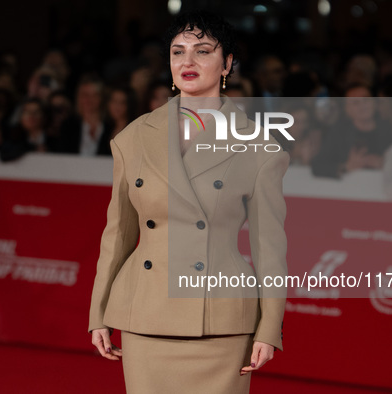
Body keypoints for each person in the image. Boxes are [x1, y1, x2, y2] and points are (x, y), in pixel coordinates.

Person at [88, 11, 289, 394]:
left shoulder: (261, 148)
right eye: (178, 51)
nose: (188, 62)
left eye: (203, 51)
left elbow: (270, 249)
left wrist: (269, 326)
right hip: (145, 313)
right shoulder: (133, 138)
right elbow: (116, 235)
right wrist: (97, 313)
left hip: (221, 321)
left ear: (228, 63)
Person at [311, 83, 392, 178]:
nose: (363, 106)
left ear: (374, 102)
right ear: (347, 109)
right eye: (355, 103)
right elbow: (317, 165)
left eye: (366, 99)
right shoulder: (339, 133)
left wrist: (387, 164)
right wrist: (346, 167)